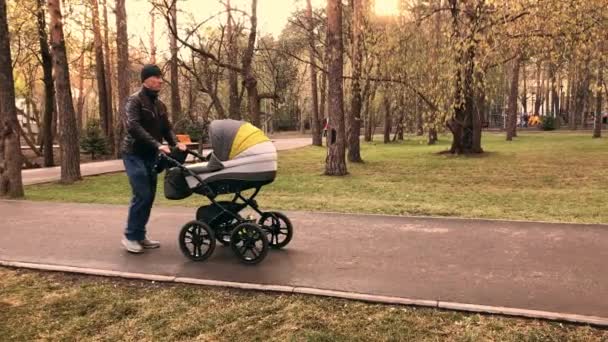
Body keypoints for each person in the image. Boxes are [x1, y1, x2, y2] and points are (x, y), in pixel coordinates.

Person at [120, 64, 187, 253]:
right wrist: (157, 144)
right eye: (156, 77)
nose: (160, 80)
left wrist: (176, 144)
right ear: (146, 80)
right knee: (142, 194)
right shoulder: (134, 101)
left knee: (148, 197)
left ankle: (140, 235)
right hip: (133, 154)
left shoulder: (160, 105)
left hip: (151, 156)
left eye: (160, 77)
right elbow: (133, 126)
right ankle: (130, 236)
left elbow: (167, 129)